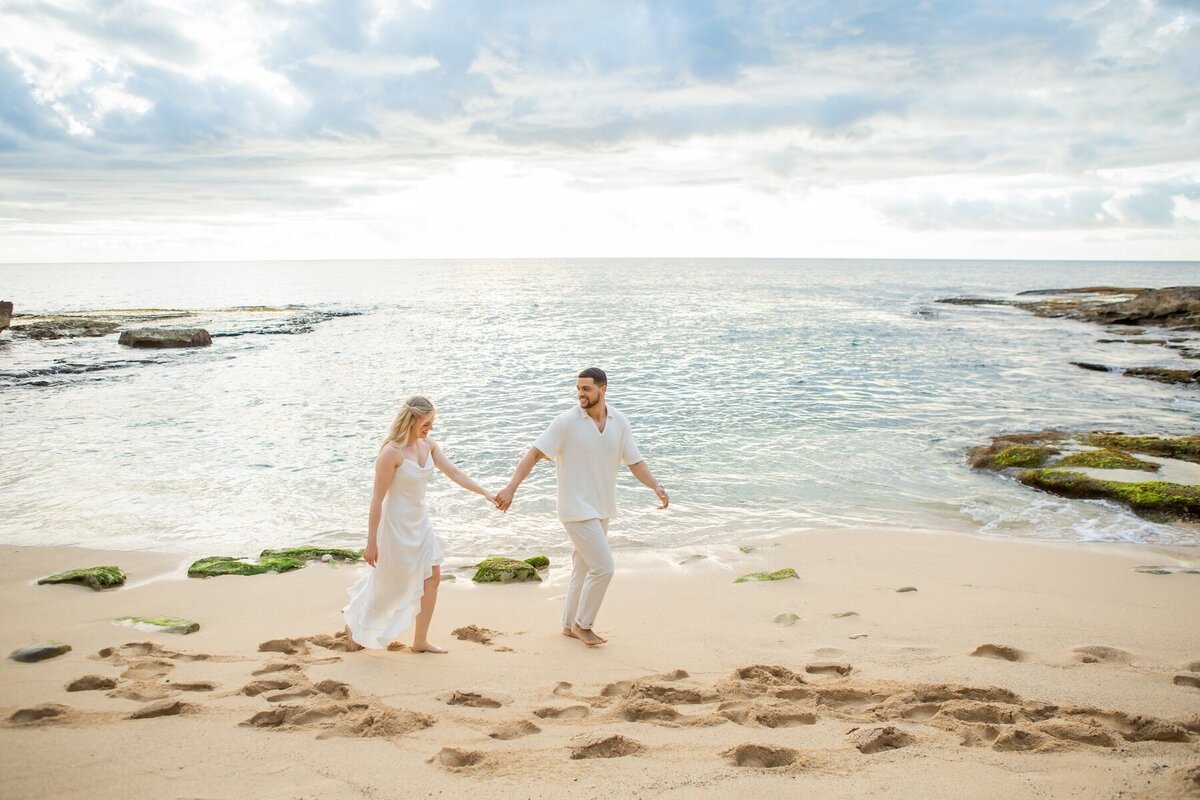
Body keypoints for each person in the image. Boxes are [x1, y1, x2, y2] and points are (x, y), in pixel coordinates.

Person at [495, 368, 668, 646]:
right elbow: (534, 454)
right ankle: (583, 625)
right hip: (575, 509)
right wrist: (511, 487)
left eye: (586, 389)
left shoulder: (619, 422)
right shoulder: (566, 422)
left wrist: (656, 486)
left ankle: (568, 624)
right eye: (578, 389)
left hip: (603, 508)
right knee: (604, 568)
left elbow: (635, 461)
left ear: (603, 389)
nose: (580, 394)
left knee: (583, 568)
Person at [343, 396, 496, 653]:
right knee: (389, 584)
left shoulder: (429, 446)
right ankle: (353, 621)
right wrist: (371, 542)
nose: (430, 428)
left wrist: (486, 494)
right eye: (427, 423)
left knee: (432, 576)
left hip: (420, 523)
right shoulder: (391, 452)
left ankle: (420, 641)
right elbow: (377, 499)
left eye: (432, 423)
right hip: (395, 527)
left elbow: (455, 474)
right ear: (412, 420)